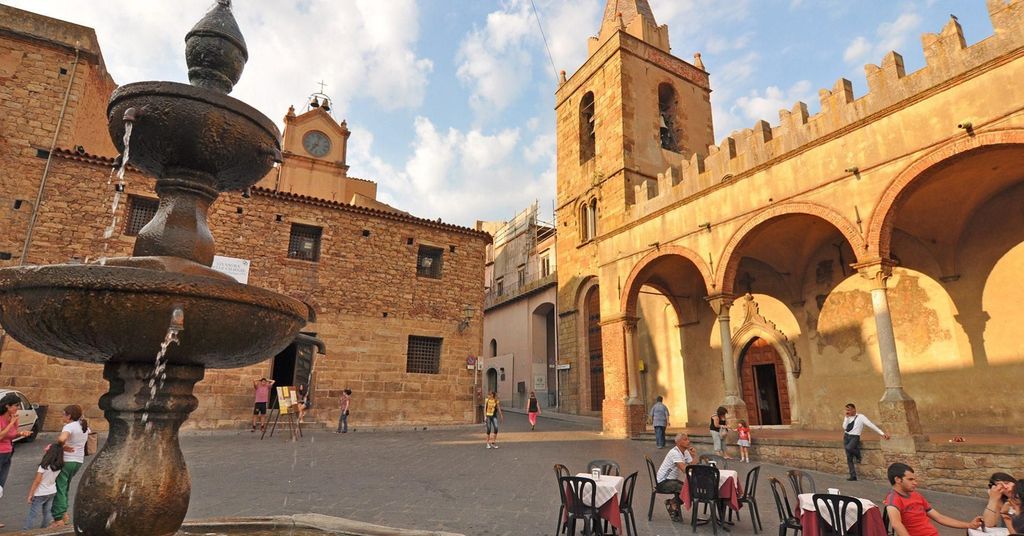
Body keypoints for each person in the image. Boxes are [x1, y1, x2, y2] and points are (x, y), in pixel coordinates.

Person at [884, 462, 981, 536]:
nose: (915, 483)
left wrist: (969, 525)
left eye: (914, 479)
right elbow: (896, 524)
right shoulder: (893, 499)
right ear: (897, 480)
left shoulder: (916, 495)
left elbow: (939, 517)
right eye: (910, 479)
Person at [50, 404, 89, 527]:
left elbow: (62, 439)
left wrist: (61, 445)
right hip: (78, 461)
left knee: (60, 488)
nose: (62, 417)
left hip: (66, 460)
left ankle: (58, 518)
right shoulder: (84, 427)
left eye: (64, 414)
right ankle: (64, 514)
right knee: (65, 486)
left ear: (69, 416)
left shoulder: (69, 426)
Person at [0, 393, 33, 529]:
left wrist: (21, 433)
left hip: (8, 453)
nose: (18, 408)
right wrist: (11, 423)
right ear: (7, 406)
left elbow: (11, 435)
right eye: (16, 406)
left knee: (0, 488)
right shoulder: (1, 419)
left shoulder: (13, 418)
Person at [656, 432, 697, 522]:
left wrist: (694, 456)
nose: (688, 441)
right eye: (685, 439)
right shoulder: (674, 453)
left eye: (688, 439)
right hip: (663, 482)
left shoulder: (685, 451)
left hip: (672, 480)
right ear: (678, 442)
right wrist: (691, 468)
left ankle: (672, 503)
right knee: (689, 489)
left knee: (690, 488)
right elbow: (685, 470)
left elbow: (692, 467)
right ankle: (673, 504)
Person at [842, 402, 889, 481]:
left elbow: (871, 425)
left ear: (854, 409)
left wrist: (882, 433)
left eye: (849, 410)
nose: (848, 411)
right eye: (847, 410)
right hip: (846, 436)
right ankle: (853, 476)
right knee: (849, 457)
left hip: (855, 437)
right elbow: (844, 427)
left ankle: (858, 454)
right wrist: (846, 418)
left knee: (849, 448)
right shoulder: (847, 417)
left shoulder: (861, 417)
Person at [24, 443, 63, 530]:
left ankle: (26, 530)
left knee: (33, 514)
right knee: (47, 512)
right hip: (52, 491)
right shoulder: (59, 466)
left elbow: (37, 481)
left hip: (40, 493)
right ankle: (44, 529)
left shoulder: (43, 466)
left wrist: (31, 494)